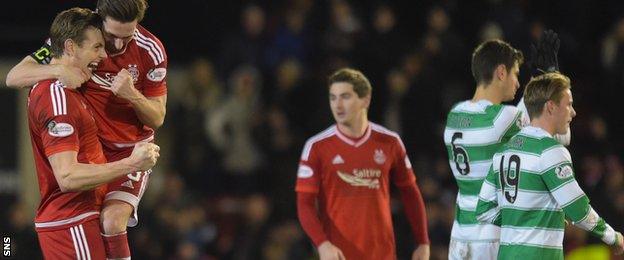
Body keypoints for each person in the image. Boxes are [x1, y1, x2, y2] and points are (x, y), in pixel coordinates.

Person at [5, 0, 167, 258]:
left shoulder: (151, 50)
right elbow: (13, 76)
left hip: (129, 152)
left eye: (127, 37)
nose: (116, 47)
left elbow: (157, 117)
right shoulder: (82, 33)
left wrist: (132, 95)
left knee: (112, 220)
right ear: (99, 20)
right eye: (110, 37)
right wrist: (58, 69)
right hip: (92, 152)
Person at [475, 72, 624, 259]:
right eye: (569, 104)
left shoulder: (503, 151)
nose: (573, 112)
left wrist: (520, 223)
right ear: (551, 107)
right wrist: (613, 237)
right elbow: (578, 209)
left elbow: (483, 210)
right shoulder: (550, 151)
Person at [296, 68, 430, 260]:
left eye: (345, 97)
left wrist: (423, 242)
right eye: (333, 98)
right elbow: (304, 204)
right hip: (338, 255)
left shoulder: (390, 142)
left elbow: (410, 192)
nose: (338, 105)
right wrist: (322, 244)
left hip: (382, 253)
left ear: (365, 99)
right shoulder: (317, 147)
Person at [443, 39, 524, 260]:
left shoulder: (454, 114)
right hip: (490, 234)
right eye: (515, 74)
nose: (517, 83)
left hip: (460, 233)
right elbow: (548, 125)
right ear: (501, 72)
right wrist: (547, 76)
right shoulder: (502, 117)